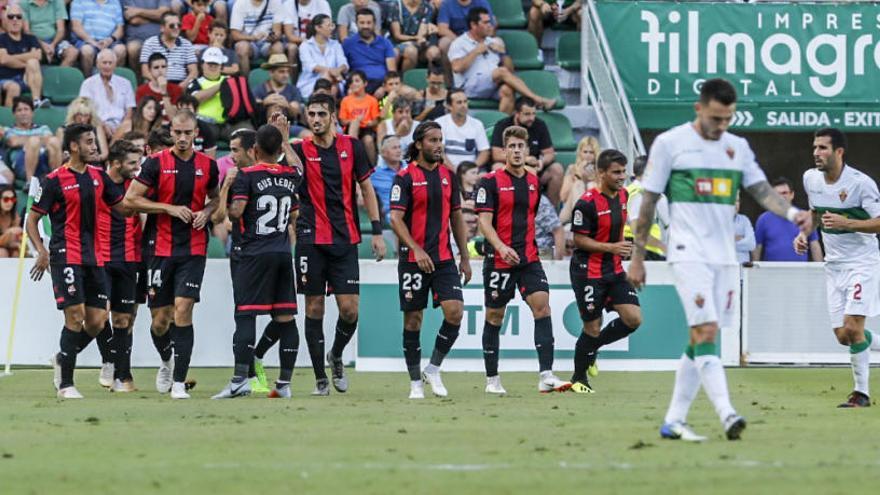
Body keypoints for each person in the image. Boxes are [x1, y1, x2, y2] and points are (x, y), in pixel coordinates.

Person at [628, 78, 812, 442]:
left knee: (702, 336)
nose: (722, 126)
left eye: (728, 119)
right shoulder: (670, 144)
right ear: (699, 109)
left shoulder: (736, 147)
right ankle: (727, 414)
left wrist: (793, 215)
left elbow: (760, 190)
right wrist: (638, 257)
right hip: (687, 252)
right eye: (716, 118)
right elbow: (647, 201)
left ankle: (674, 420)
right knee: (706, 329)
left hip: (724, 256)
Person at [291, 93, 386, 395]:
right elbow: (283, 161)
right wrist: (281, 138)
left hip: (345, 239)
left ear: (333, 116)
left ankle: (336, 354)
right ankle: (320, 378)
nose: (316, 119)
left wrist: (377, 230)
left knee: (349, 310)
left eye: (321, 114)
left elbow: (367, 188)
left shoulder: (352, 147)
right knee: (315, 306)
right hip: (310, 239)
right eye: (311, 114)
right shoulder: (301, 150)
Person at [123, 110, 220, 400]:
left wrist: (206, 211)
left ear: (195, 134)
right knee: (160, 319)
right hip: (159, 248)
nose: (181, 138)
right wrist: (168, 208)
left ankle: (178, 382)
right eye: (177, 132)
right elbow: (130, 200)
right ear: (172, 131)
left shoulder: (208, 166)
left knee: (183, 309)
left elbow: (216, 199)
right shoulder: (155, 164)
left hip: (193, 248)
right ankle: (166, 360)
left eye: (187, 133)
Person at [27, 123, 126, 399]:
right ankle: (66, 385)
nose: (95, 146)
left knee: (96, 321)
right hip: (65, 256)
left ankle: (62, 357)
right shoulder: (54, 180)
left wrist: (158, 204)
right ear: (74, 146)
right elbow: (32, 220)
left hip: (95, 258)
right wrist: (41, 251)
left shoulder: (99, 176)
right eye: (90, 142)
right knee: (75, 316)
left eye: (95, 142)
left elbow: (123, 207)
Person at [474, 125, 570, 395]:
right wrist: (501, 247)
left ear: (527, 151)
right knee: (495, 316)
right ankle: (492, 379)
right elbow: (484, 222)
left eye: (521, 147)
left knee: (542, 306)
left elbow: (531, 218)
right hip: (499, 260)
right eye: (512, 147)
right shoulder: (489, 182)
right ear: (504, 151)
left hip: (528, 258)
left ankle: (546, 375)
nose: (517, 151)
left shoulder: (532, 182)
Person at [212, 124, 301, 399]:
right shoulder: (290, 175)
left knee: (246, 314)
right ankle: (284, 384)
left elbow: (236, 214)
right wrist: (286, 141)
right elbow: (294, 214)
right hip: (283, 252)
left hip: (253, 253)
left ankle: (240, 380)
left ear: (255, 150)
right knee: (285, 318)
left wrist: (226, 190)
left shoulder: (246, 176)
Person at [389, 121, 471, 399]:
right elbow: (395, 219)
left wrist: (465, 256)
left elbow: (456, 217)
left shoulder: (449, 176)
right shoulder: (405, 177)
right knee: (413, 321)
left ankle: (433, 368)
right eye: (433, 140)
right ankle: (415, 382)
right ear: (419, 144)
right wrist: (416, 248)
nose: (439, 145)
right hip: (413, 260)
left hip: (444, 258)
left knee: (455, 311)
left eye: (441, 139)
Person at [800, 128, 880, 408]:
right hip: (833, 266)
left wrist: (849, 223)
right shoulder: (811, 179)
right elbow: (814, 214)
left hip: (862, 263)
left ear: (839, 152)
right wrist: (803, 235)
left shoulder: (861, 184)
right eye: (814, 148)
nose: (816, 153)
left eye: (822, 148)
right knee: (844, 336)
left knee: (852, 326)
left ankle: (861, 394)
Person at [568, 149, 641, 393]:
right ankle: (579, 379)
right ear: (601, 174)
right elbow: (578, 240)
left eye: (623, 171)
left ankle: (593, 347)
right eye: (616, 172)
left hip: (614, 270)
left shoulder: (622, 196)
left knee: (633, 319)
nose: (622, 177)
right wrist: (612, 247)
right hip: (588, 272)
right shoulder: (586, 203)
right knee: (592, 327)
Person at [100, 139, 145, 392]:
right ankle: (108, 359)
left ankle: (122, 375)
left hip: (129, 259)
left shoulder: (135, 187)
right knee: (97, 316)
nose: (137, 168)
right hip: (101, 258)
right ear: (116, 163)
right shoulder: (97, 184)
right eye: (132, 163)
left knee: (123, 319)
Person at [448, 7, 554, 113]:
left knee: (507, 90)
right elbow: (456, 67)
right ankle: (537, 99)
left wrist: (503, 53)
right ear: (473, 25)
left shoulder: (493, 42)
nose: (489, 25)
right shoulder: (459, 43)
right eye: (485, 22)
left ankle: (500, 126)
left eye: (490, 22)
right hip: (468, 87)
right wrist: (475, 52)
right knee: (501, 71)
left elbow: (510, 71)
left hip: (491, 85)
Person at [490, 97, 563, 205]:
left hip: (535, 168)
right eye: (527, 114)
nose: (531, 118)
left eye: (534, 113)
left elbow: (549, 153)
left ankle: (551, 212)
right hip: (510, 168)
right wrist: (523, 159)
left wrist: (541, 162)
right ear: (517, 113)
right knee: (497, 167)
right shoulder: (503, 125)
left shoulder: (539, 125)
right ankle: (505, 208)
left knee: (557, 169)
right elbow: (496, 154)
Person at [753, 177, 822, 262]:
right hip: (772, 272)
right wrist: (754, 272)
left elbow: (814, 245)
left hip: (801, 272)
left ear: (792, 194)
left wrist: (820, 271)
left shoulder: (804, 217)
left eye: (784, 193)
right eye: (777, 194)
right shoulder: (763, 219)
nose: (781, 197)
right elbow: (757, 247)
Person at [0, 5, 49, 108]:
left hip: (26, 78)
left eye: (18, 17)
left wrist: (12, 58)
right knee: (14, 87)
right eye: (11, 16)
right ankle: (9, 121)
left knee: (33, 62)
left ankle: (36, 101)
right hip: (5, 78)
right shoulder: (1, 39)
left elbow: (38, 56)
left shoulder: (31, 38)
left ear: (23, 21)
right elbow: (3, 59)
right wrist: (27, 60)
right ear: (5, 20)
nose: (15, 20)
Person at [78, 49, 136, 134]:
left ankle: (113, 144)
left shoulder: (125, 83)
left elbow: (129, 110)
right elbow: (86, 110)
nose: (107, 66)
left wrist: (121, 127)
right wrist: (103, 125)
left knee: (128, 125)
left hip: (121, 126)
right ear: (97, 64)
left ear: (115, 65)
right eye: (104, 63)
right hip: (98, 125)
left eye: (110, 63)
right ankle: (113, 145)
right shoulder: (88, 84)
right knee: (100, 128)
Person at [5, 97, 62, 182]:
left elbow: (51, 140)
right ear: (14, 114)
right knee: (34, 142)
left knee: (54, 142)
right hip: (22, 165)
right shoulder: (9, 130)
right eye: (19, 110)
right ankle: (29, 183)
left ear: (32, 113)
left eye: (26, 109)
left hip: (44, 162)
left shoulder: (43, 128)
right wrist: (37, 140)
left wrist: (25, 140)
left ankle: (56, 181)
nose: (23, 113)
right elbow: (13, 142)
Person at [623, 155, 669, 261]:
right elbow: (668, 227)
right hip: (649, 250)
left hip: (625, 249)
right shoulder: (657, 196)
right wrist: (663, 247)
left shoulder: (624, 192)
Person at [341, 8, 396, 94]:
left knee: (409, 93)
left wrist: (384, 87)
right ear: (356, 24)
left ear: (374, 24)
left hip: (381, 84)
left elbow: (392, 71)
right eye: (362, 23)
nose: (365, 26)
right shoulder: (348, 44)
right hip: (360, 85)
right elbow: (343, 68)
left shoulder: (385, 42)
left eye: (369, 23)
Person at [139, 12, 199, 87]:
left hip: (181, 84)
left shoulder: (187, 44)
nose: (176, 28)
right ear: (162, 28)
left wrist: (181, 86)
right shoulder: (150, 43)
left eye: (179, 25)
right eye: (172, 25)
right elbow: (145, 72)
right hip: (157, 83)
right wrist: (157, 85)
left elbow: (194, 72)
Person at [70, 0, 127, 76]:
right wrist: (93, 42)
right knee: (87, 51)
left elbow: (120, 29)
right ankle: (89, 82)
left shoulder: (115, 2)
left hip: (109, 41)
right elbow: (76, 27)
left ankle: (112, 81)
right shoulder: (79, 1)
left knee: (121, 50)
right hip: (87, 40)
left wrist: (109, 40)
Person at [435, 89, 488, 170]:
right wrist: (454, 170)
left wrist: (471, 169)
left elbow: (485, 152)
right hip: (447, 169)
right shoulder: (439, 123)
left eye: (465, 101)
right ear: (449, 106)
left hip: (470, 171)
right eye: (459, 102)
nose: (464, 105)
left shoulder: (477, 124)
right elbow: (439, 152)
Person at [296, 13, 347, 99]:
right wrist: (331, 72)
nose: (332, 28)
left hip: (335, 81)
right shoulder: (305, 46)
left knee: (333, 87)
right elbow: (311, 66)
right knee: (328, 81)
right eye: (328, 26)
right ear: (318, 28)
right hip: (311, 83)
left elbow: (343, 63)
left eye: (332, 25)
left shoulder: (335, 44)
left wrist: (338, 70)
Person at [230, 0, 285, 75]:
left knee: (278, 47)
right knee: (241, 47)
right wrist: (253, 38)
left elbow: (277, 30)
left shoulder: (275, 2)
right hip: (249, 42)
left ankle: (276, 83)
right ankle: (245, 84)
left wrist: (273, 37)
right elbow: (235, 34)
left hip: (268, 43)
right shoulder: (240, 3)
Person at [21, 0, 79, 67]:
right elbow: (26, 31)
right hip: (33, 41)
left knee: (73, 52)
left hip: (54, 40)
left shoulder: (57, 2)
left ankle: (58, 75)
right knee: (31, 55)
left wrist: (53, 45)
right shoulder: (24, 3)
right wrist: (42, 45)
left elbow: (61, 30)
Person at [339, 70, 380, 164]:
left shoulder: (372, 100)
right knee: (355, 123)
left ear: (365, 83)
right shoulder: (346, 100)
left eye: (357, 81)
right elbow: (342, 121)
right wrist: (356, 120)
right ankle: (352, 165)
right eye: (351, 82)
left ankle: (373, 168)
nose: (354, 84)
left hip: (366, 128)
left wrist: (368, 122)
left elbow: (375, 121)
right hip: (350, 128)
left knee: (368, 141)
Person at [121, 0, 171, 74]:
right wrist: (156, 18)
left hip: (159, 36)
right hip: (136, 38)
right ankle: (139, 79)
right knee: (133, 48)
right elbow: (134, 20)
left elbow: (164, 15)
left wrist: (138, 11)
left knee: (169, 43)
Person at [390, 0, 440, 72]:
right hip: (398, 42)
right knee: (409, 51)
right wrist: (415, 38)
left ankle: (431, 79)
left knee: (434, 52)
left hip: (417, 44)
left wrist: (419, 39)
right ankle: (399, 79)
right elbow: (397, 36)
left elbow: (421, 34)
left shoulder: (426, 7)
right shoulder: (396, 5)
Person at [57, 97, 111, 163]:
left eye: (86, 115)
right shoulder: (62, 130)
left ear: (90, 116)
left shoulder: (97, 128)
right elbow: (57, 156)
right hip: (70, 165)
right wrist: (65, 156)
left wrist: (97, 158)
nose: (82, 119)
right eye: (79, 115)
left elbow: (105, 154)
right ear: (73, 115)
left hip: (93, 164)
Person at [253, 54, 303, 123]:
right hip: (264, 128)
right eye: (281, 72)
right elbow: (252, 111)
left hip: (289, 127)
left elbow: (297, 113)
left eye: (287, 71)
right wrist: (264, 103)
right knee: (273, 109)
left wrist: (287, 105)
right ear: (271, 73)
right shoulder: (259, 89)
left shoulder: (294, 90)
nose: (286, 75)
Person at [136, 52, 183, 122]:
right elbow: (140, 117)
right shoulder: (141, 91)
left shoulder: (177, 89)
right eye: (156, 67)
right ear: (149, 70)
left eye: (163, 67)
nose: (160, 70)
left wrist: (164, 92)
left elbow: (174, 119)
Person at [372, 134, 406, 223]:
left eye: (399, 147)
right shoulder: (375, 174)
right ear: (383, 153)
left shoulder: (411, 169)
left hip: (412, 210)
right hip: (391, 214)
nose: (398, 151)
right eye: (394, 148)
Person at [0, 185, 22, 258]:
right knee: (2, 252)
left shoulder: (15, 216)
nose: (10, 203)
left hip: (6, 246)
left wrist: (17, 243)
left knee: (17, 252)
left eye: (12, 199)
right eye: (6, 199)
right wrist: (9, 231)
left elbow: (14, 240)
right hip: (2, 250)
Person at [733, 192, 755, 264]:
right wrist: (741, 239)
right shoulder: (718, 221)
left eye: (737, 201)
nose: (736, 204)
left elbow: (751, 244)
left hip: (743, 271)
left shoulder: (744, 220)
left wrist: (728, 240)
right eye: (732, 200)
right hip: (725, 269)